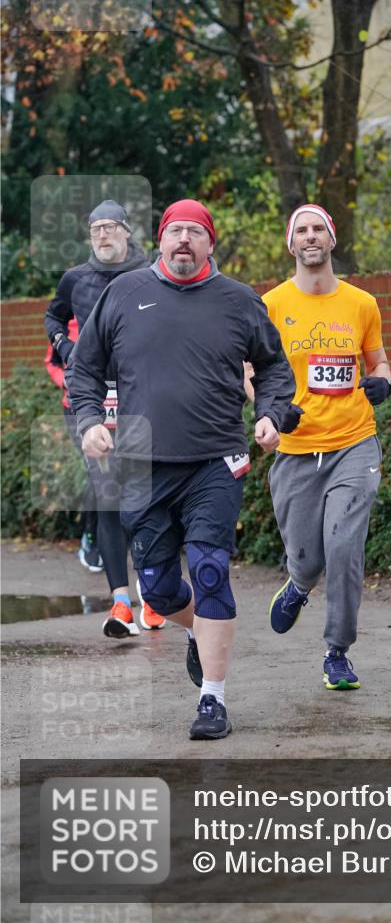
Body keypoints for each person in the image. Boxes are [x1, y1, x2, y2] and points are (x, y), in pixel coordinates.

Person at [68, 199, 295, 740]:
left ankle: (212, 698)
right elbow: (84, 368)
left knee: (211, 570)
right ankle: (197, 629)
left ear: (210, 243)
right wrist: (89, 421)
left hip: (216, 459)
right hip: (142, 465)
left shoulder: (239, 300)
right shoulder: (123, 294)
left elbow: (274, 368)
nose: (185, 240)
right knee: (158, 589)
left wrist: (270, 413)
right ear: (161, 240)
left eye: (196, 231)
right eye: (176, 231)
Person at [262, 204, 391, 690]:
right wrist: (272, 410)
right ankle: (298, 584)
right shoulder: (271, 304)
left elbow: (379, 362)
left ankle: (337, 651)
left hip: (354, 443)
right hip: (296, 448)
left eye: (319, 228)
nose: (311, 236)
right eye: (302, 230)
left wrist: (383, 382)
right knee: (309, 559)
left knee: (343, 547)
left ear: (332, 239)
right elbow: (249, 373)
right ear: (291, 243)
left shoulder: (362, 303)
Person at [44, 200, 164, 635]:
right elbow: (53, 315)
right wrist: (65, 347)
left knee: (148, 497)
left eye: (110, 226)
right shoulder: (76, 278)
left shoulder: (151, 273)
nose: (102, 234)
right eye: (95, 228)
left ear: (127, 232)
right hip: (92, 400)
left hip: (142, 399)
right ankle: (121, 603)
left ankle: (153, 595)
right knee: (108, 496)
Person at [44, 318, 103, 573]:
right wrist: (65, 381)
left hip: (113, 408)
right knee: (96, 470)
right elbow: (51, 362)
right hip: (75, 409)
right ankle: (90, 538)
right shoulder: (66, 325)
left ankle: (115, 536)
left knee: (116, 471)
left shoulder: (111, 315)